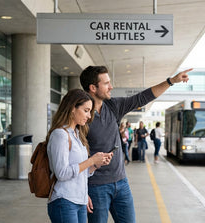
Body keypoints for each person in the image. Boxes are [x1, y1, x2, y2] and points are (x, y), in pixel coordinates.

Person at [80, 65, 191, 223]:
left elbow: (142, 98)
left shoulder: (113, 106)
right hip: (96, 187)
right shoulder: (80, 115)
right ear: (93, 87)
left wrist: (171, 81)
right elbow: (73, 155)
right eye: (106, 83)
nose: (111, 87)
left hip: (121, 182)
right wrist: (82, 190)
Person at [46, 89, 113, 223]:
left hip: (80, 200)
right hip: (64, 200)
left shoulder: (77, 134)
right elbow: (62, 173)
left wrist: (95, 165)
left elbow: (80, 172)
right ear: (72, 108)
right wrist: (91, 160)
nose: (89, 116)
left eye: (90, 111)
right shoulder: (60, 135)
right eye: (86, 110)